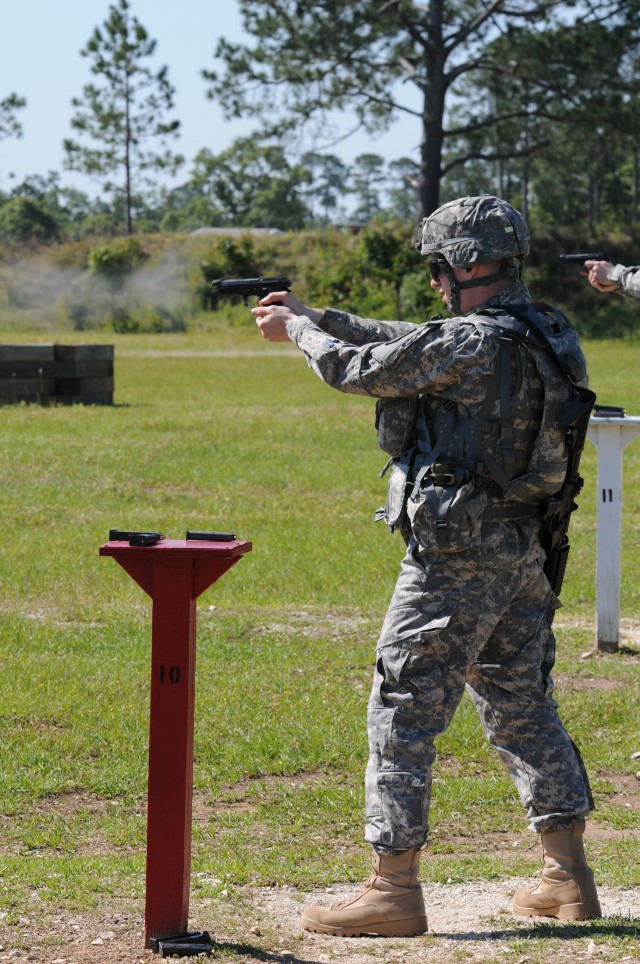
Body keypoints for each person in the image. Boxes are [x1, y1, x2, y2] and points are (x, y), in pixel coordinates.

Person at [252, 195, 601, 937]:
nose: (438, 282)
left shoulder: (472, 342)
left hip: (456, 555)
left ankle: (393, 888)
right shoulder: (547, 330)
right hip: (526, 549)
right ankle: (567, 878)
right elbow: (416, 341)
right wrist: (320, 313)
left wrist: (301, 334)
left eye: (443, 268)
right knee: (522, 705)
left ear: (470, 263)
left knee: (402, 704)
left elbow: (359, 369)